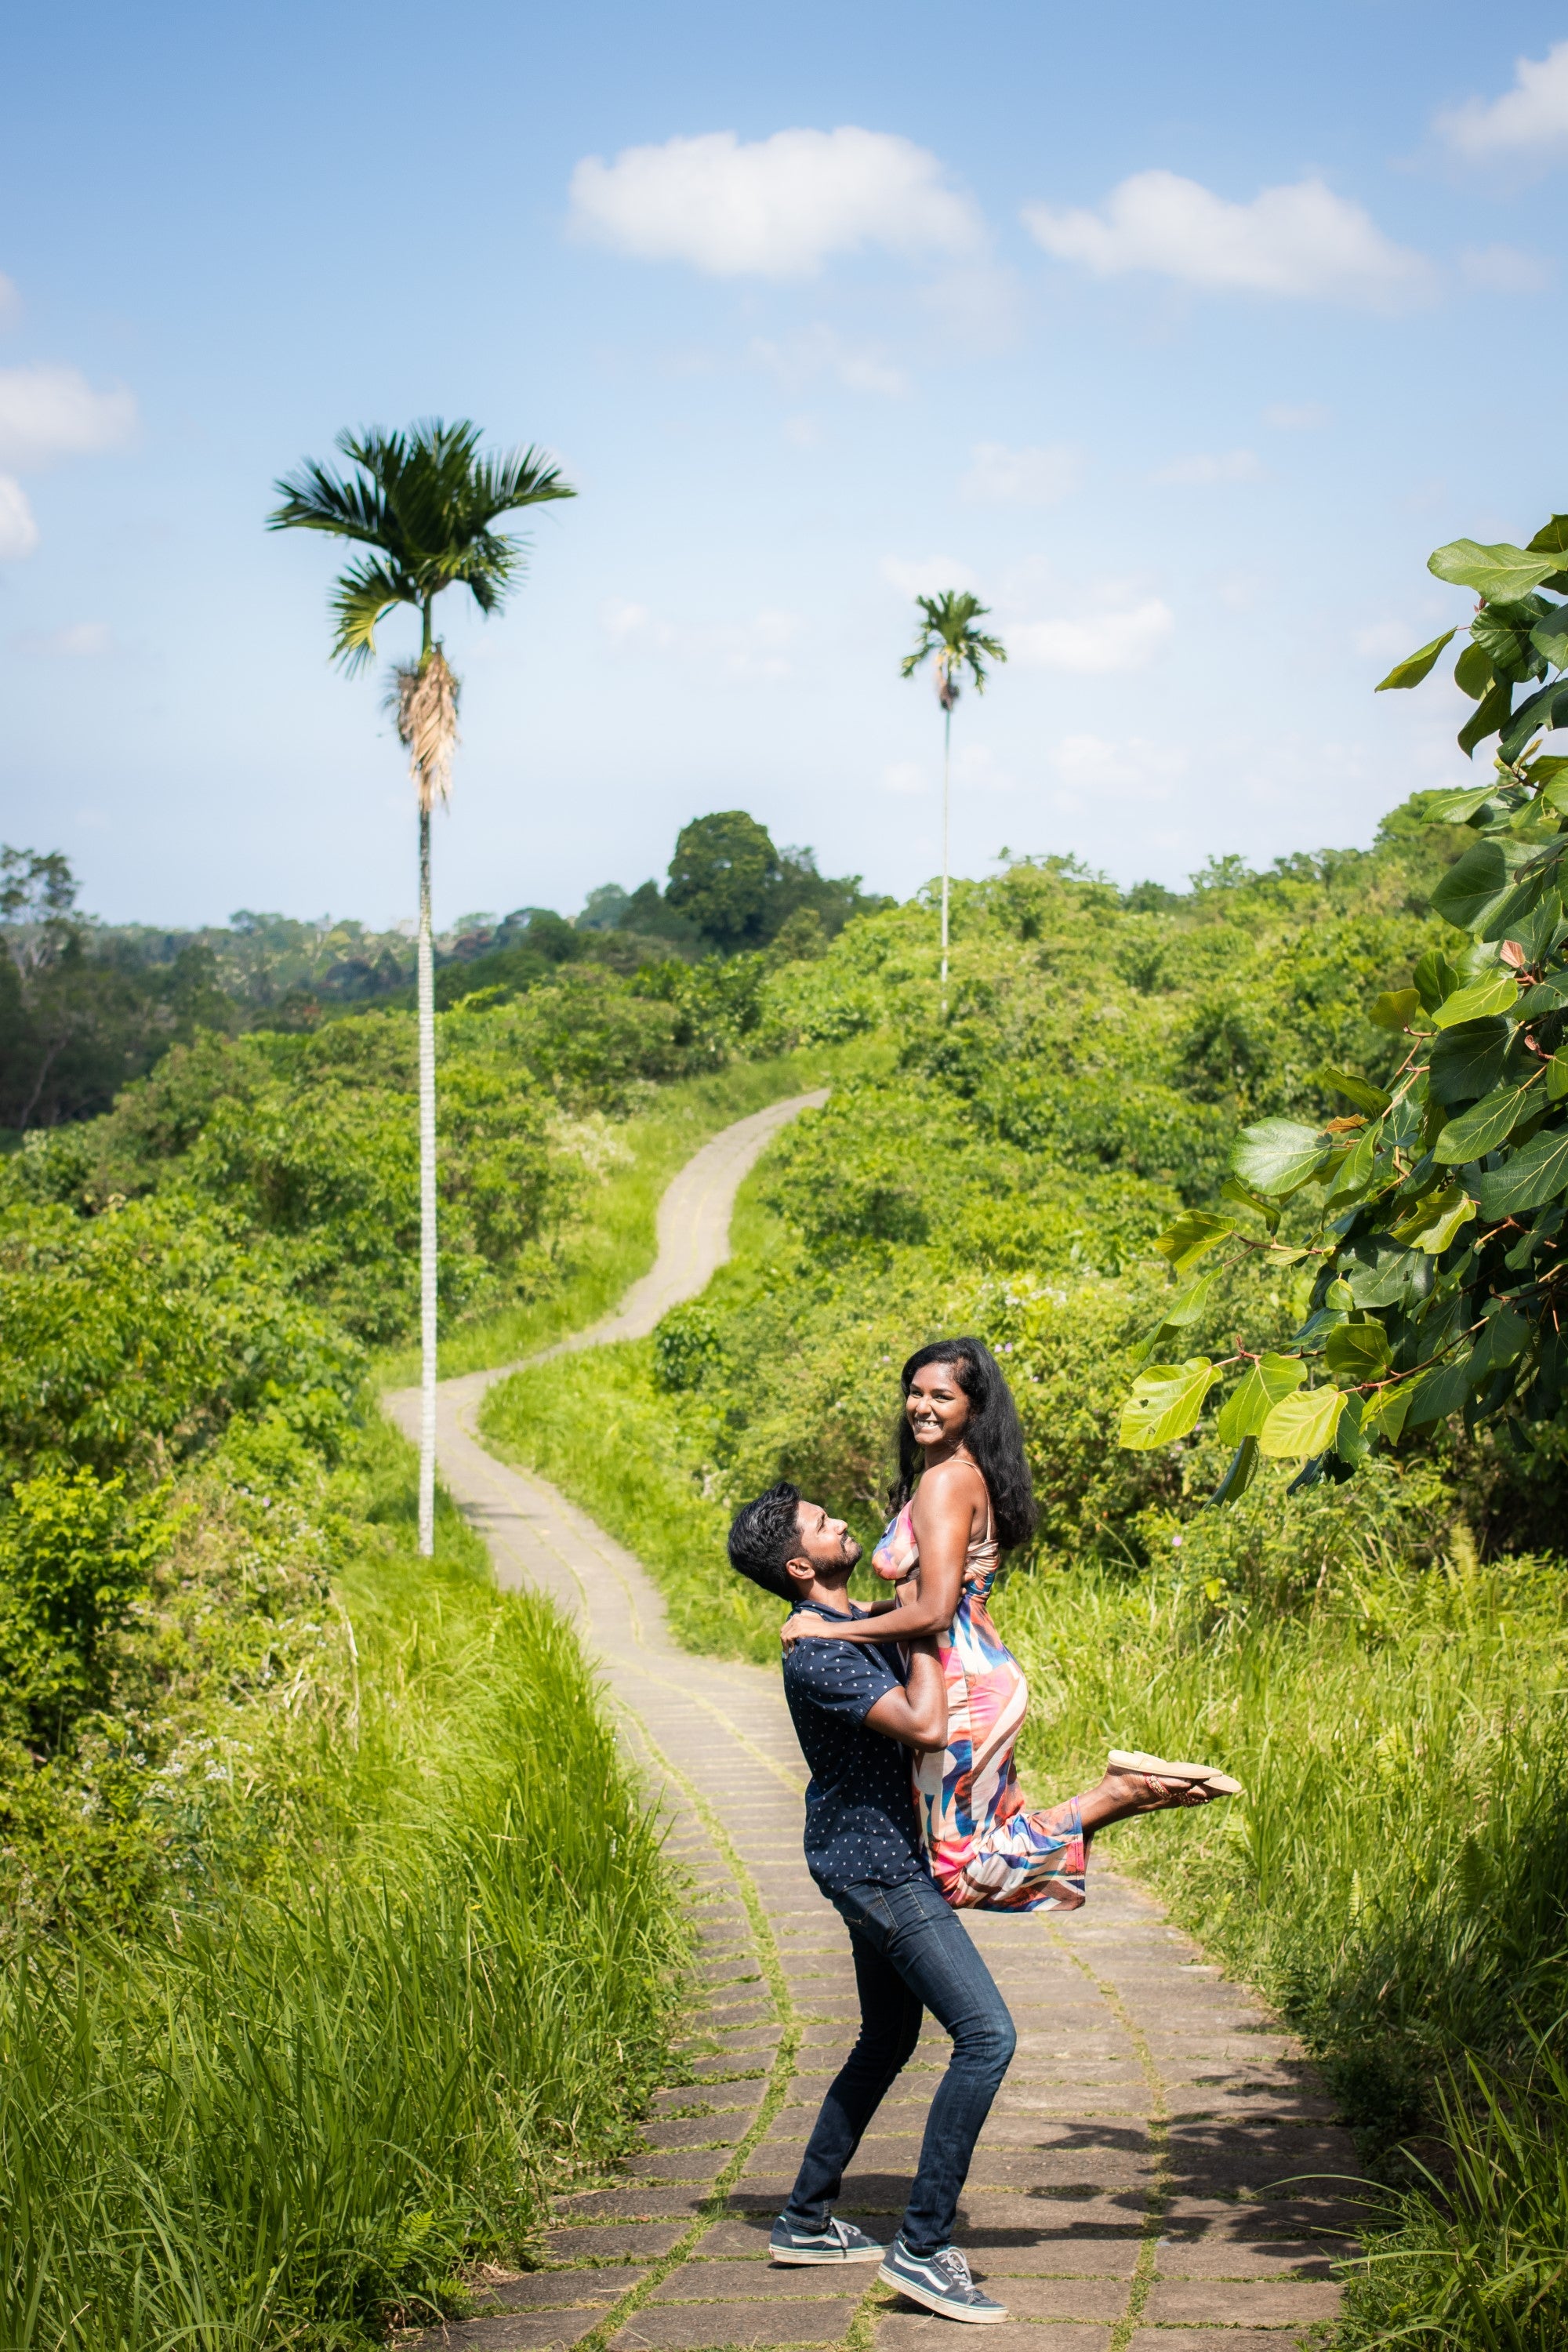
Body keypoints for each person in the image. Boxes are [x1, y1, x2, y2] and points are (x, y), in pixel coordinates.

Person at [728, 1479, 1236, 2325]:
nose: (839, 1522)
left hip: (880, 1860)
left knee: (887, 2038)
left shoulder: (847, 1625)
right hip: (878, 1870)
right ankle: (921, 2249)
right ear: (797, 1563)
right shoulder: (813, 1649)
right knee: (987, 2036)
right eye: (822, 1523)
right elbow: (927, 1724)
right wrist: (925, 1615)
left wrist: (936, 1585)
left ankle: (804, 2220)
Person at [781, 1338, 1239, 1915]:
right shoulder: (953, 1475)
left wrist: (831, 1632)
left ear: (973, 1408)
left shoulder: (945, 1482)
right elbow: (930, 1602)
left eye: (941, 1396)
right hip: (971, 1670)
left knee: (952, 1872)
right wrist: (849, 1617)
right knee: (978, 1844)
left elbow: (934, 1613)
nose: (922, 1406)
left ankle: (1117, 1793)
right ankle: (1119, 1792)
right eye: (915, 1393)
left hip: (960, 1685)